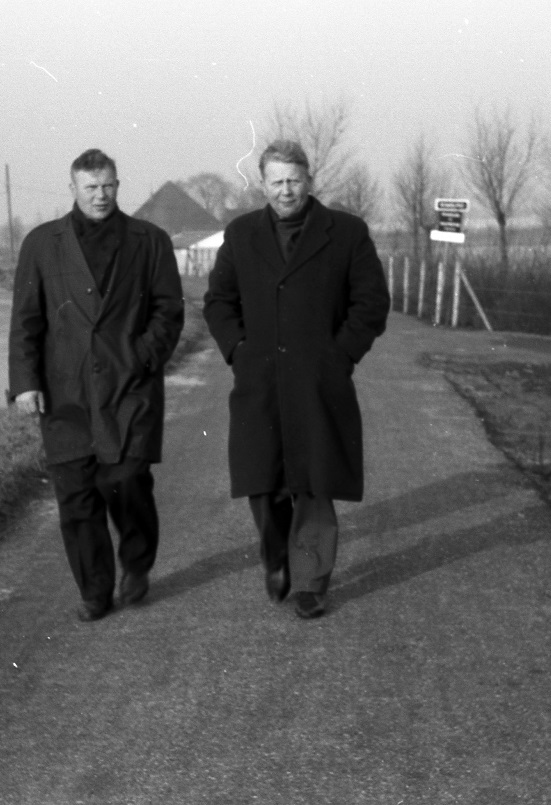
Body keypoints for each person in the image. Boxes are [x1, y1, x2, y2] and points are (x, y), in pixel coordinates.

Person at [203, 140, 390, 619]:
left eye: (294, 180)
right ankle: (278, 559)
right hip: (259, 381)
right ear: (262, 184)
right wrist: (238, 350)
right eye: (277, 182)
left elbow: (371, 303)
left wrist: (340, 355)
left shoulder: (346, 232)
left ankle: (310, 580)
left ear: (309, 180)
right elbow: (219, 301)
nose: (286, 191)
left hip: (317, 381)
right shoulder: (241, 234)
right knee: (262, 482)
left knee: (313, 482)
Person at [9, 148, 184, 622]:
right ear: (73, 189)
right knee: (76, 497)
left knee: (126, 481)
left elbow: (169, 310)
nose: (100, 195)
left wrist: (141, 357)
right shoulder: (42, 244)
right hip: (64, 393)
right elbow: (25, 319)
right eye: (91, 187)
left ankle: (137, 564)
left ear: (118, 185)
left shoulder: (149, 241)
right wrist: (25, 383)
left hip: (129, 389)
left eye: (108, 185)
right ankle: (95, 592)